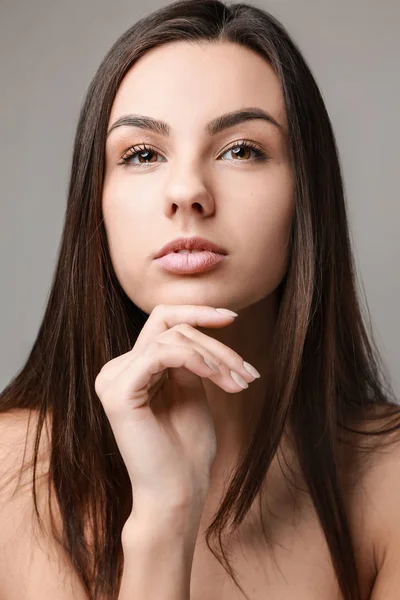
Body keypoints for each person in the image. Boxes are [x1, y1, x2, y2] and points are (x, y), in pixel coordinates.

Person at [0, 0, 399, 598]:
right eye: (142, 154)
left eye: (241, 149)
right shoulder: (15, 471)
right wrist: (164, 517)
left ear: (305, 196)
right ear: (96, 203)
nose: (187, 190)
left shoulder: (387, 479)